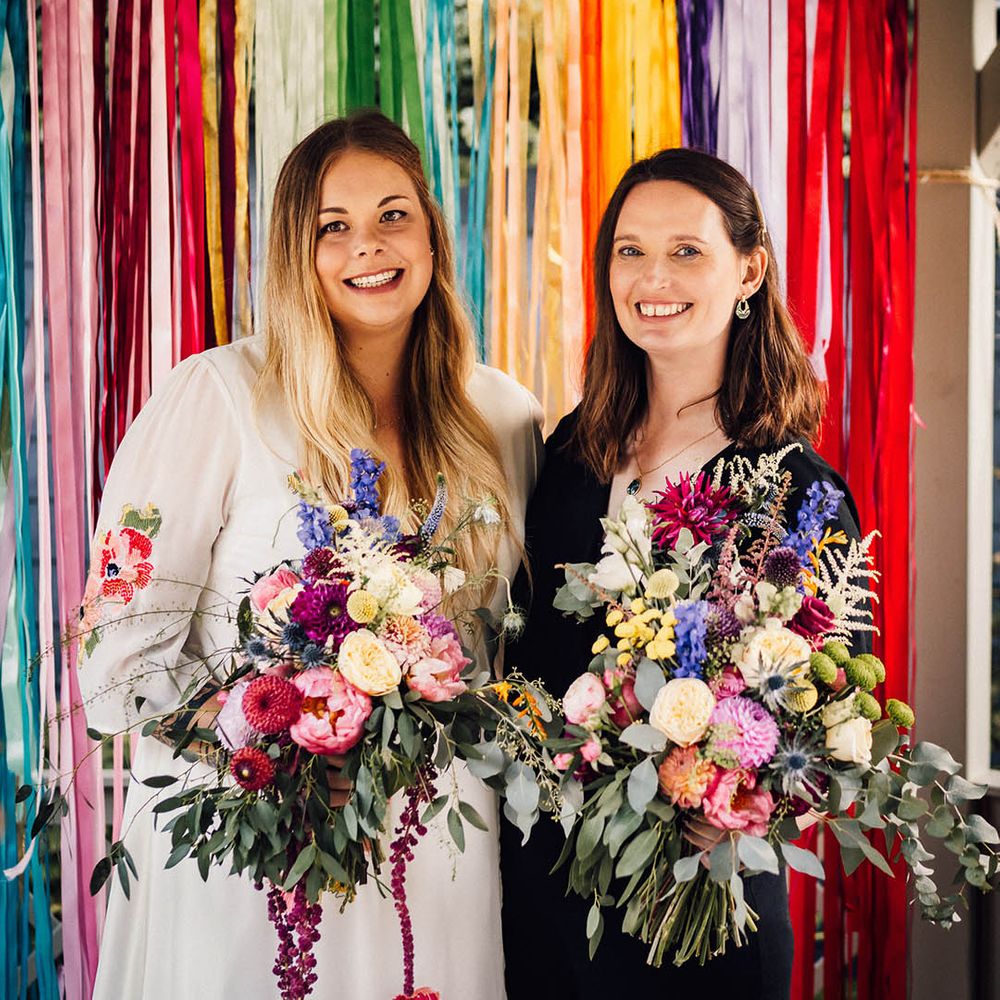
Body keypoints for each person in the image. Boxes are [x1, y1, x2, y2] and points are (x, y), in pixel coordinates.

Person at [78, 110, 542, 999]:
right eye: (334, 227)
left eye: (393, 215)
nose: (369, 246)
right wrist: (268, 751)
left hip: (438, 862)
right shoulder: (214, 397)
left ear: (432, 234)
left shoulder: (505, 416)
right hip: (252, 856)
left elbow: (504, 658)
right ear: (299, 249)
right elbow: (113, 665)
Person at [500, 148, 866, 999]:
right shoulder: (568, 451)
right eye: (629, 250)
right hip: (546, 904)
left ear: (750, 271)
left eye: (685, 251)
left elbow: (833, 707)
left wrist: (741, 787)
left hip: (705, 912)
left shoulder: (794, 488)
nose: (651, 276)